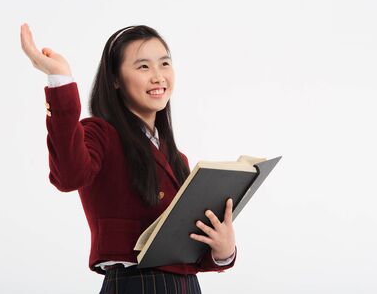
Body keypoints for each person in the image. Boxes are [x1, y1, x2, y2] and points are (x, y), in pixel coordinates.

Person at [20, 23, 237, 293]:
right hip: (136, 284)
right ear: (115, 79)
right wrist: (60, 79)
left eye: (164, 63)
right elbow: (68, 175)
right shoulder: (101, 134)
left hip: (186, 286)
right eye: (143, 67)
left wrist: (223, 251)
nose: (158, 77)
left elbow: (185, 248)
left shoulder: (177, 158)